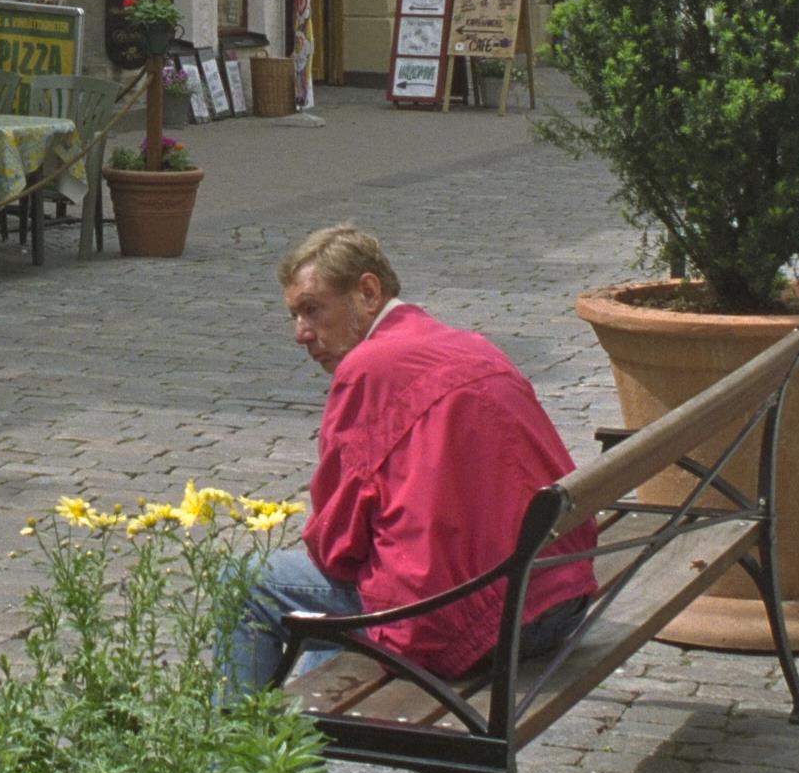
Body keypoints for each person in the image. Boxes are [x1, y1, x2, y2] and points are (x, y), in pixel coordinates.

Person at [228, 221, 595, 694]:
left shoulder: (368, 368)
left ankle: (233, 741)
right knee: (344, 601)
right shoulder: (470, 345)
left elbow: (336, 547)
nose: (301, 333)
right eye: (294, 316)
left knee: (243, 581)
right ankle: (303, 735)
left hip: (478, 624)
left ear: (367, 292)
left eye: (312, 310)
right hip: (558, 596)